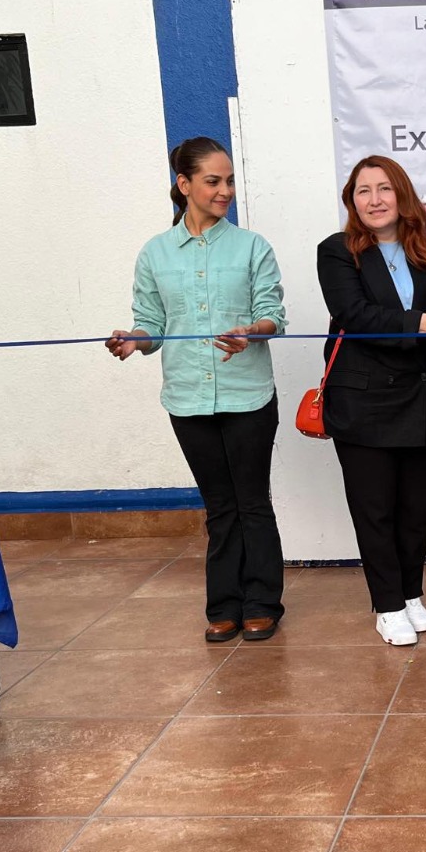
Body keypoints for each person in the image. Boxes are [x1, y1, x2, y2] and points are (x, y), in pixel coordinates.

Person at [106, 137, 288, 643]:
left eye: (229, 180)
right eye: (213, 181)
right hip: (187, 398)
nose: (225, 190)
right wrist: (134, 340)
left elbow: (273, 314)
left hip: (249, 395)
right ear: (184, 184)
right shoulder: (155, 253)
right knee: (219, 506)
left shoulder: (253, 247)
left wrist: (251, 332)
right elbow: (151, 323)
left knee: (252, 502)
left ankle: (262, 603)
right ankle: (224, 605)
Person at [316, 155, 426, 646]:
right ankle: (386, 605)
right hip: (363, 402)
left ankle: (410, 594)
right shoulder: (337, 251)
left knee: (414, 510)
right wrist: (425, 323)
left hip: (422, 397)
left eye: (384, 188)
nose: (374, 199)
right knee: (375, 510)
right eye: (363, 191)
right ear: (352, 201)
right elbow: (355, 315)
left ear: (401, 194)